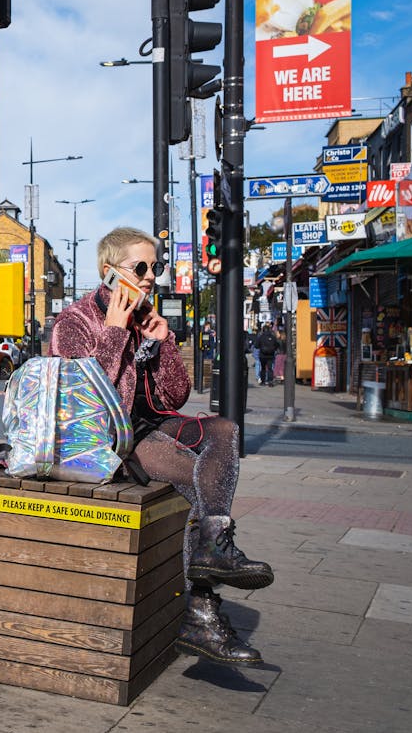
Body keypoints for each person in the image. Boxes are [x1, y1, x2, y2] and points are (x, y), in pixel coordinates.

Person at [50, 226, 273, 667]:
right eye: (141, 267)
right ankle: (202, 612)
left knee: (224, 432)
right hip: (102, 438)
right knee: (194, 479)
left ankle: (213, 551)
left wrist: (164, 343)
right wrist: (114, 332)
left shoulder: (145, 318)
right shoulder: (74, 321)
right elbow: (83, 401)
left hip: (146, 425)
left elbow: (174, 398)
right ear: (109, 271)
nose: (152, 276)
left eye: (157, 266)